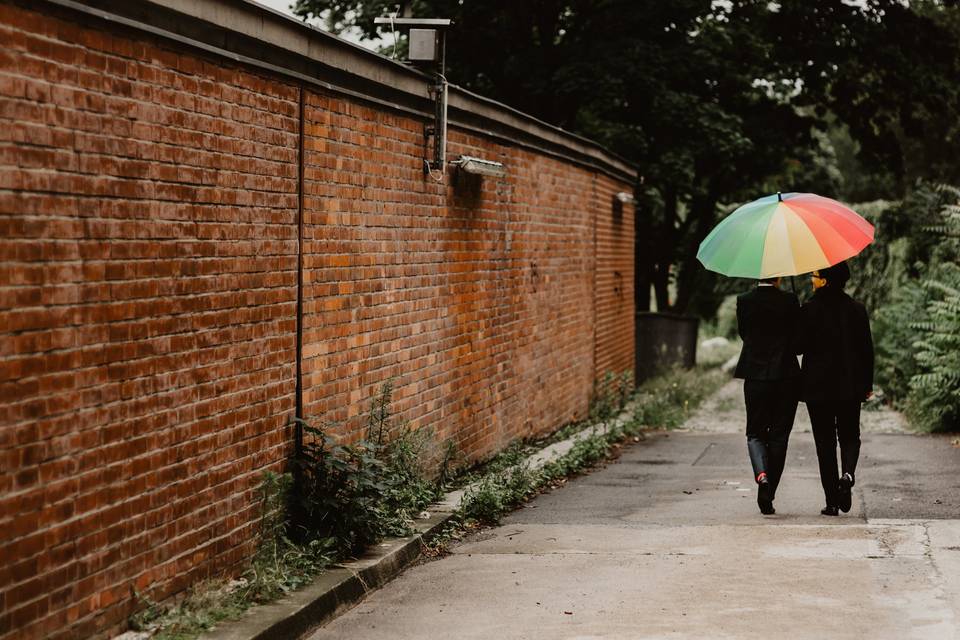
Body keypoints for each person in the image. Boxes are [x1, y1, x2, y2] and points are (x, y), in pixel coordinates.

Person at [797, 261, 874, 516]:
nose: (811, 278)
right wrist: (867, 385)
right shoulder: (857, 310)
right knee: (850, 436)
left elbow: (797, 347)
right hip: (850, 387)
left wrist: (799, 317)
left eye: (815, 275)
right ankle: (848, 475)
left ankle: (831, 501)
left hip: (817, 389)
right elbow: (867, 351)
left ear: (825, 281)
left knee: (825, 442)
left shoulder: (809, 309)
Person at [734, 275, 801, 515]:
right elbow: (798, 342)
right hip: (786, 377)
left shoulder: (744, 300)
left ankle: (762, 476)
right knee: (779, 436)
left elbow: (744, 335)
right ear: (779, 276)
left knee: (755, 432)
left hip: (755, 374)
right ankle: (770, 493)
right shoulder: (791, 300)